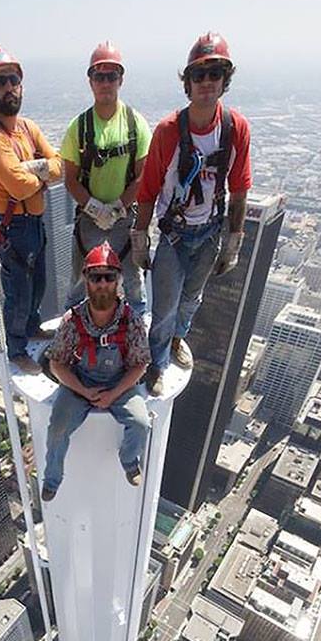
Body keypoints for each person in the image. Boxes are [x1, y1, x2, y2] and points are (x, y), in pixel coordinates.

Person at [132, 32, 252, 395]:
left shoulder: (234, 129)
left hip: (210, 231)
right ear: (187, 82)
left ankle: (175, 341)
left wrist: (233, 241)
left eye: (214, 73)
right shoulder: (169, 131)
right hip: (174, 233)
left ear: (224, 80)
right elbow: (148, 189)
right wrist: (140, 239)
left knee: (191, 299)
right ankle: (157, 361)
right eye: (199, 75)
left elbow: (239, 189)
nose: (206, 82)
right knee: (165, 305)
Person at [41, 241, 151, 502]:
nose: (102, 284)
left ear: (118, 281)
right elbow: (57, 364)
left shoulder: (131, 321)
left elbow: (140, 364)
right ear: (86, 280)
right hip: (81, 381)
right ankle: (52, 478)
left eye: (108, 277)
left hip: (119, 382)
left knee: (140, 423)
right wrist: (83, 390)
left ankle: (129, 461)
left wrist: (113, 394)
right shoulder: (72, 321)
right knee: (57, 428)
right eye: (96, 277)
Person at [0, 47, 63, 374]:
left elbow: (59, 166)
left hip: (34, 222)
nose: (9, 87)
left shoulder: (27, 128)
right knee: (18, 292)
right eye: (1, 81)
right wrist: (38, 176)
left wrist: (33, 171)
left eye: (14, 79)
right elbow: (20, 187)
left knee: (38, 283)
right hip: (13, 226)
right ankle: (16, 350)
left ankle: (31, 328)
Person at [61, 42, 152, 317]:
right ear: (90, 81)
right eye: (99, 76)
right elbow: (71, 179)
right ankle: (72, 327)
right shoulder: (80, 127)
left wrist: (117, 208)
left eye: (111, 76)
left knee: (132, 279)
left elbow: (142, 175)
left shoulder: (136, 124)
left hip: (124, 216)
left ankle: (137, 327)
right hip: (89, 217)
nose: (105, 83)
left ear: (120, 80)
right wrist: (94, 208)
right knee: (81, 277)